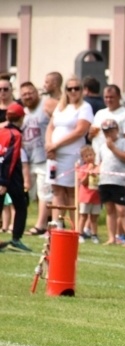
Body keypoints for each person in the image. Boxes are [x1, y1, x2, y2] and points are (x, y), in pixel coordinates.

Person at [44, 75, 93, 227]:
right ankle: (56, 225)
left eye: (76, 88)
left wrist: (56, 145)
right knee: (57, 190)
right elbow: (51, 127)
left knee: (71, 191)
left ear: (81, 90)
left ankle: (75, 227)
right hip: (55, 155)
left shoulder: (85, 107)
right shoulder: (60, 106)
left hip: (71, 155)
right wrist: (49, 144)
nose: (73, 91)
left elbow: (80, 131)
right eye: (69, 88)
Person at [19, 81, 52, 236]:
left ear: (36, 93)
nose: (28, 96)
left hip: (44, 157)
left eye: (30, 92)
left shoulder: (45, 106)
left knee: (44, 192)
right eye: (24, 94)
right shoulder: (22, 112)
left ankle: (40, 225)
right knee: (29, 193)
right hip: (27, 159)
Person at [96, 118, 125, 247]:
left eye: (111, 131)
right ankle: (111, 238)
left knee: (122, 209)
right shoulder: (101, 146)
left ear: (116, 130)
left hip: (118, 181)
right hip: (105, 180)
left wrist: (113, 148)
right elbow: (100, 163)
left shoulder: (123, 142)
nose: (108, 134)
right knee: (109, 209)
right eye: (105, 131)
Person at [0, 103, 31, 252]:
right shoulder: (16, 135)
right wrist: (4, 181)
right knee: (21, 205)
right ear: (21, 118)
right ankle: (16, 238)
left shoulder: (1, 131)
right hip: (10, 176)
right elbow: (10, 158)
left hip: (1, 173)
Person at [75, 145, 101, 243]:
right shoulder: (82, 168)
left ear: (94, 155)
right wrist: (88, 173)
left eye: (91, 155)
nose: (89, 157)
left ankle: (94, 234)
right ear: (83, 159)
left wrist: (96, 171)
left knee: (94, 217)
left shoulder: (98, 167)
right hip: (85, 196)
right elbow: (83, 182)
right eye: (86, 156)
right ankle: (80, 233)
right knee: (83, 216)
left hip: (96, 196)